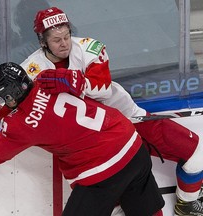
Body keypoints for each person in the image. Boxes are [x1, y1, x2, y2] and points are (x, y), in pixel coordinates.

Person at [19, 7, 203, 215]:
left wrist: (75, 82)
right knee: (119, 207)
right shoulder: (29, 71)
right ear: (43, 41)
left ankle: (186, 204)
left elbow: (104, 89)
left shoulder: (89, 48)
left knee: (196, 153)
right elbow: (20, 113)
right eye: (56, 40)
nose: (64, 44)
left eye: (67, 36)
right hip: (94, 146)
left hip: (128, 119)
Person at [0, 62, 164, 216]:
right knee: (147, 210)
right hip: (132, 146)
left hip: (101, 171)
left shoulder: (21, 124)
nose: (1, 105)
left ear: (11, 96)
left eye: (2, 100)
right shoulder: (47, 78)